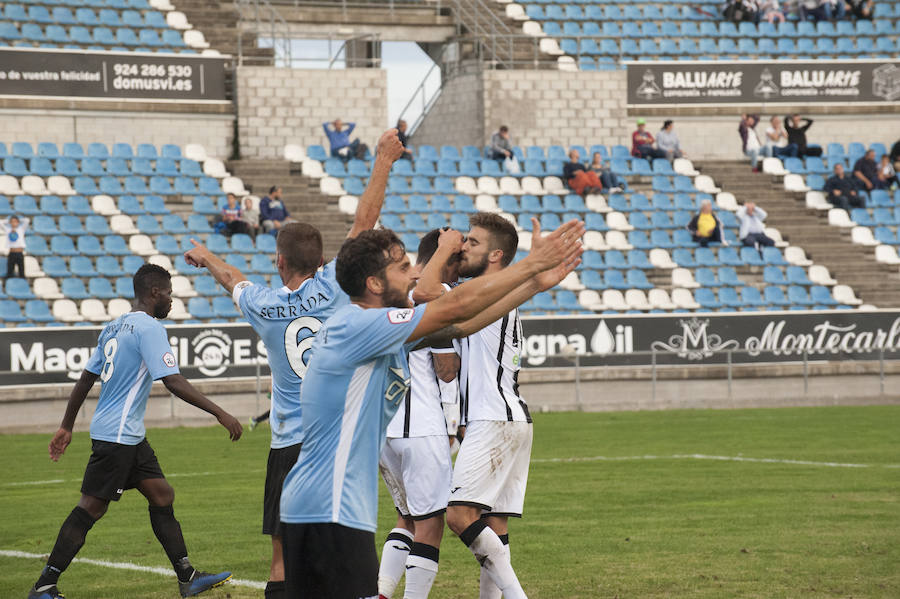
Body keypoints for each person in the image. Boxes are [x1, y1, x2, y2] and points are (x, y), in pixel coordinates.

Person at [278, 216, 584, 599]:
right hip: (328, 504)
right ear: (374, 283)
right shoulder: (361, 326)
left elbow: (458, 327)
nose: (413, 277)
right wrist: (531, 266)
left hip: (327, 502)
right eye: (403, 268)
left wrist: (534, 284)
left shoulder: (371, 327)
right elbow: (454, 306)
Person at [184, 128, 405, 599]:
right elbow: (366, 219)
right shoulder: (333, 288)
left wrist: (205, 255)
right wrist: (383, 160)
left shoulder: (263, 304)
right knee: (346, 549)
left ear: (280, 262)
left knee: (283, 560)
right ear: (323, 259)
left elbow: (233, 279)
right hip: (337, 436)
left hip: (288, 443)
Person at [26, 264, 243, 599]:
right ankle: (45, 584)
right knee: (90, 508)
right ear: (154, 292)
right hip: (117, 437)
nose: (171, 300)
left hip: (126, 434)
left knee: (162, 494)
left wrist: (67, 425)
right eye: (169, 293)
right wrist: (221, 412)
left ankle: (187, 577)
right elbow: (172, 381)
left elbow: (86, 378)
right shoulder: (149, 328)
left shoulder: (114, 326)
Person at [377, 227, 463, 599]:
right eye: (456, 267)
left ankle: (380, 593)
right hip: (421, 425)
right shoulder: (425, 299)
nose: (458, 278)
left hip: (383, 430)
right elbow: (445, 369)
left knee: (406, 518)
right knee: (430, 524)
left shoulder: (384, 296)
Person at [1, 214, 29, 278]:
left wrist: (18, 220)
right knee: (10, 272)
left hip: (19, 253)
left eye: (15, 221)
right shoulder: (8, 229)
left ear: (18, 222)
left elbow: (27, 220)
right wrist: (8, 221)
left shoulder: (21, 229)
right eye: (12, 222)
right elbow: (0, 223)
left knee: (21, 272)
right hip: (12, 253)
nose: (14, 223)